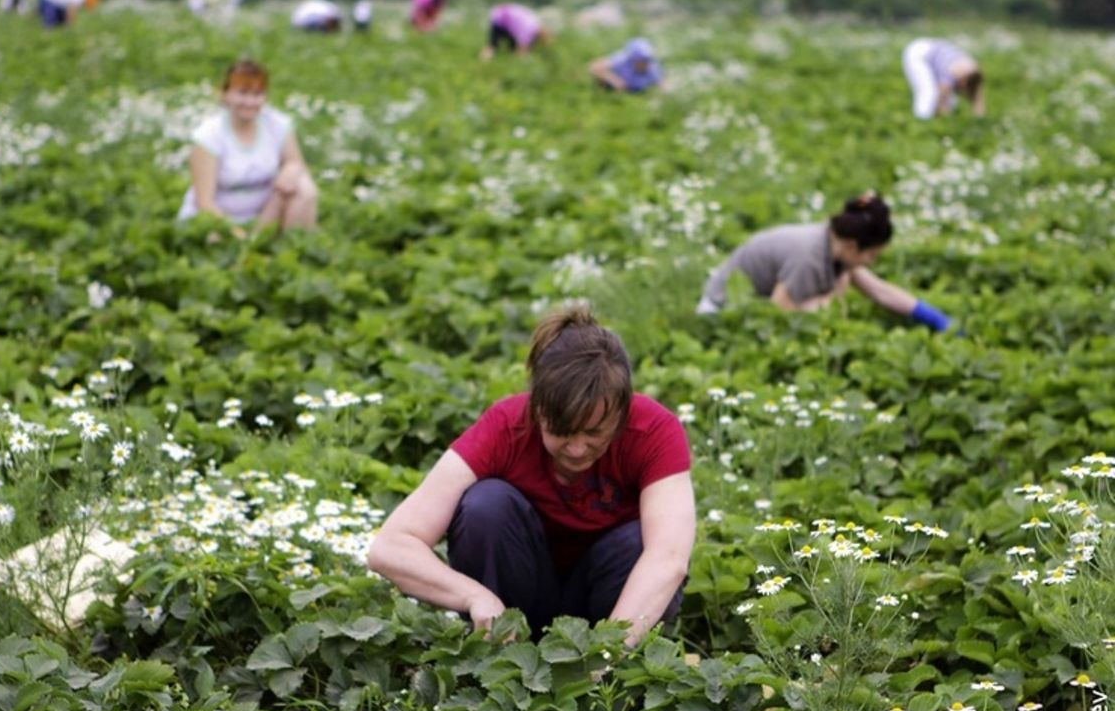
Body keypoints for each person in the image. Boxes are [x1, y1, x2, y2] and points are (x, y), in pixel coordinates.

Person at [367, 306, 696, 644]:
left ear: (623, 412)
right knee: (486, 505)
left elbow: (668, 558)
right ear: (537, 408)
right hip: (517, 601)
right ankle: (501, 653)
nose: (578, 448)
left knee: (643, 542)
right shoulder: (506, 427)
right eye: (562, 431)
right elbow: (390, 546)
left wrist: (606, 653)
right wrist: (473, 596)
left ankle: (616, 666)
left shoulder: (653, 430)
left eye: (594, 433)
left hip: (611, 608)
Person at [695, 193, 952, 331]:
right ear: (853, 246)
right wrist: (829, 302)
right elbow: (776, 314)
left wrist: (930, 315)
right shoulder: (809, 257)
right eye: (872, 255)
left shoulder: (834, 246)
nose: (871, 263)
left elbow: (879, 291)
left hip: (748, 309)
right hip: (719, 314)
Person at [177, 60, 317, 232]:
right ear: (226, 95)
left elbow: (296, 163)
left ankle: (294, 245)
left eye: (257, 94)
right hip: (217, 221)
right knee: (215, 236)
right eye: (242, 93)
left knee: (304, 187)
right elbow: (204, 202)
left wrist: (291, 169)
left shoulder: (277, 124)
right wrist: (236, 234)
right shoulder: (209, 135)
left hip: (263, 217)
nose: (250, 102)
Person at [902, 38, 984, 120]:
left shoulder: (973, 75)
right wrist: (944, 117)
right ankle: (921, 120)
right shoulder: (951, 72)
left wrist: (978, 120)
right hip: (918, 54)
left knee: (951, 101)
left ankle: (930, 118)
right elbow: (942, 99)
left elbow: (978, 100)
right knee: (928, 93)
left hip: (931, 49)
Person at [589, 37, 663, 93]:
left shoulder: (652, 67)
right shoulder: (621, 59)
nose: (645, 63)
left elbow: (661, 83)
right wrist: (614, 80)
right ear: (633, 59)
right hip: (615, 90)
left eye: (647, 60)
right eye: (641, 60)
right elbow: (593, 67)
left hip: (636, 93)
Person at [481, 3, 549, 59]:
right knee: (493, 45)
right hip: (501, 19)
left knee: (507, 46)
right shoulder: (530, 30)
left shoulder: (534, 22)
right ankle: (484, 61)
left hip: (501, 14)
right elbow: (522, 49)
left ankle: (484, 60)